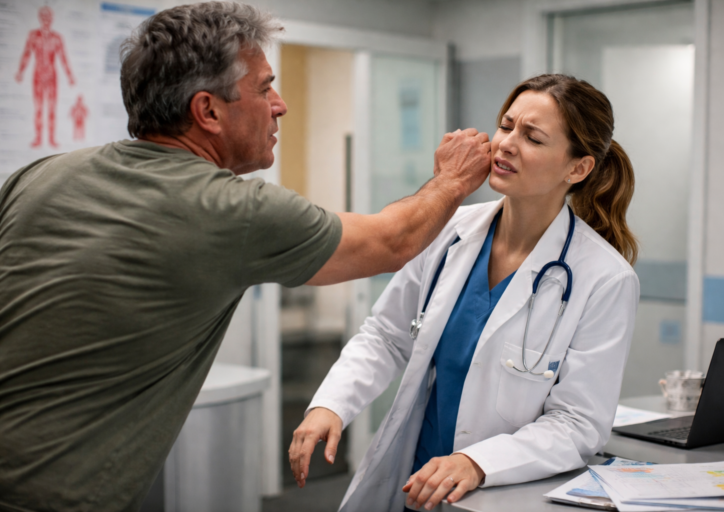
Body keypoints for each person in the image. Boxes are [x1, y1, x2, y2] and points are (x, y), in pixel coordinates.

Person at [0, 3, 490, 511]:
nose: (279, 105)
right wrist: (453, 179)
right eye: (263, 88)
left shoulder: (37, 178)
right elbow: (393, 241)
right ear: (208, 111)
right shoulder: (229, 209)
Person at [290, 74, 641, 512]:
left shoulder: (605, 278)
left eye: (532, 137)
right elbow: (386, 334)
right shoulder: (449, 231)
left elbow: (578, 423)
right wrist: (332, 404)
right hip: (415, 483)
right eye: (506, 125)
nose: (506, 144)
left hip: (500, 491)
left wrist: (476, 462)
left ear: (578, 168)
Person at [15, 6, 76, 148]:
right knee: (38, 108)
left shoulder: (57, 38)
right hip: (37, 75)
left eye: (48, 17)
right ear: (39, 18)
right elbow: (26, 54)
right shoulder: (33, 35)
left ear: (52, 18)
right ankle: (38, 138)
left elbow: (63, 58)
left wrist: (70, 76)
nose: (46, 20)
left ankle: (51, 139)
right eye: (43, 17)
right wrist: (20, 71)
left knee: (52, 109)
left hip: (52, 76)